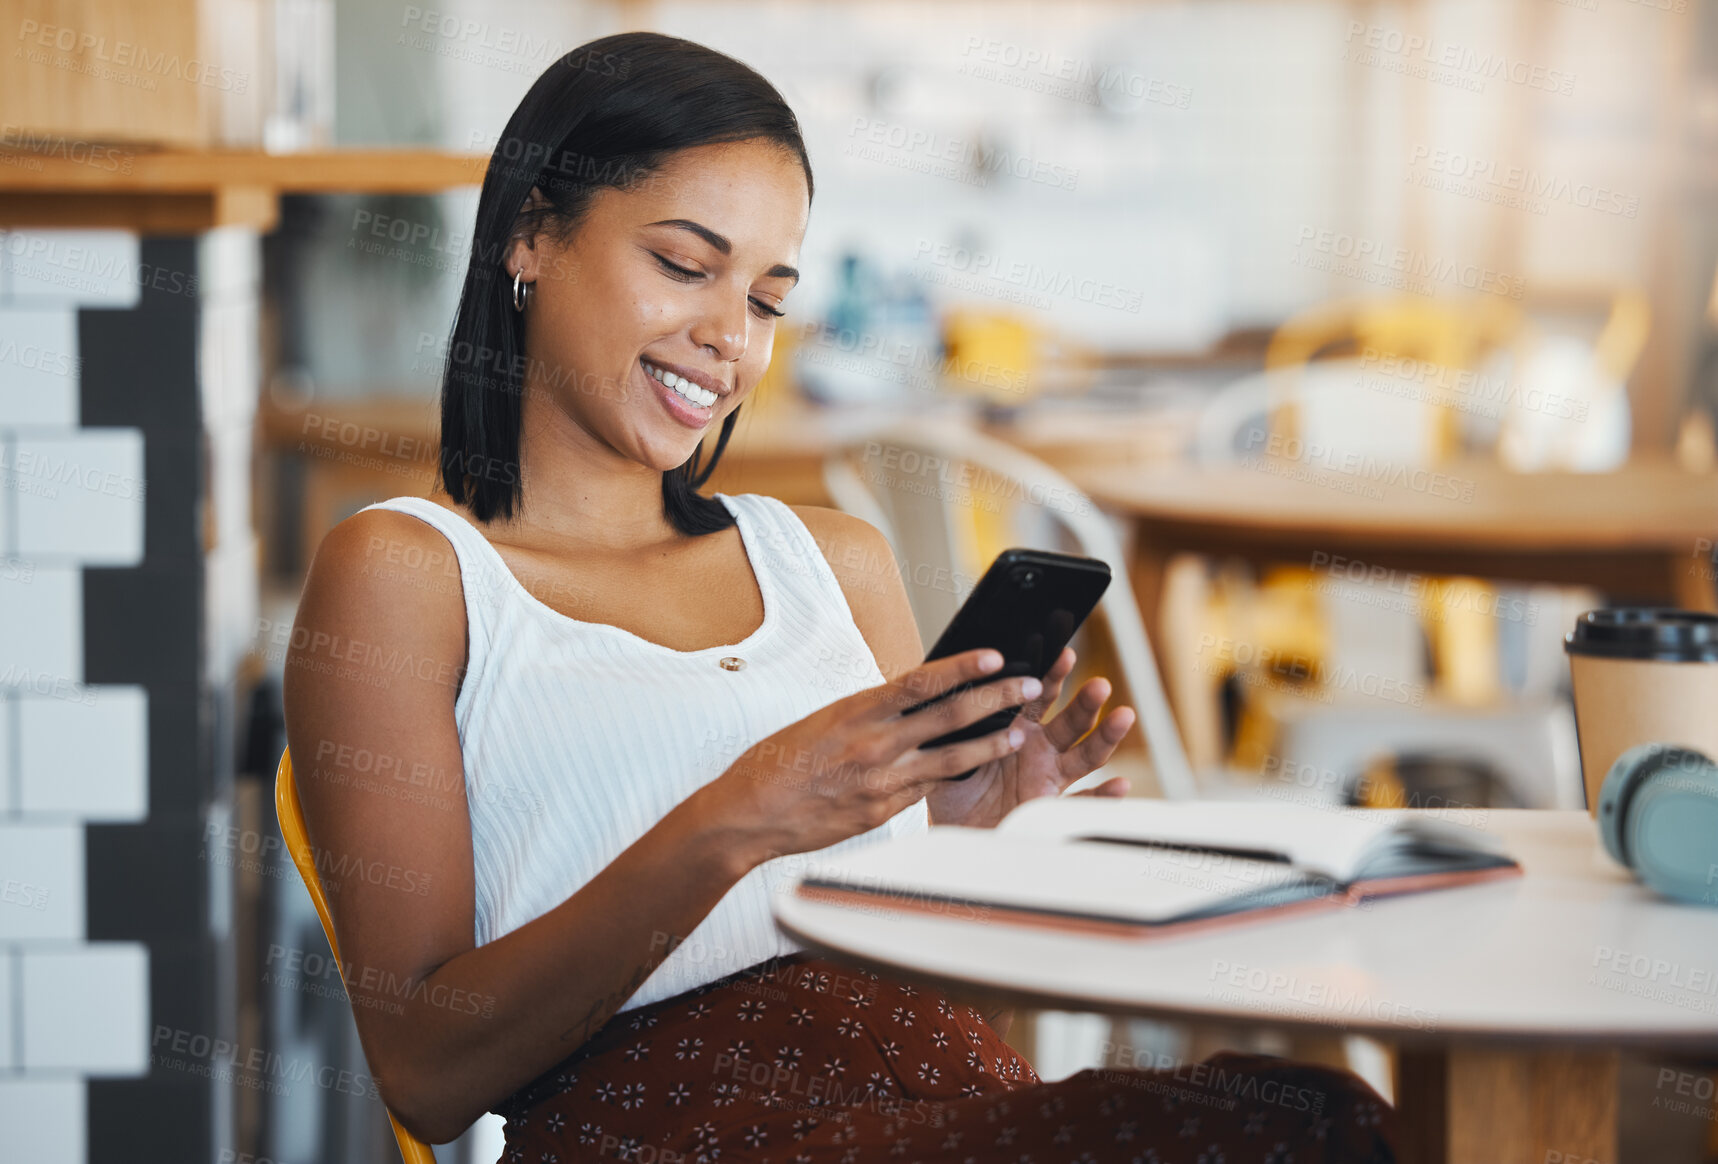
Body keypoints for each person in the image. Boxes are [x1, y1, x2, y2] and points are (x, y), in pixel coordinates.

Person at [282, 30, 1399, 1163]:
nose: (728, 338)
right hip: (680, 1131)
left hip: (937, 1098)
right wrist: (737, 819)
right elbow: (425, 1075)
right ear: (529, 234)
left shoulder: (833, 561)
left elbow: (944, 993)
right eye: (682, 265)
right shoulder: (410, 575)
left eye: (767, 297)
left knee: (1312, 1111)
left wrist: (966, 844)